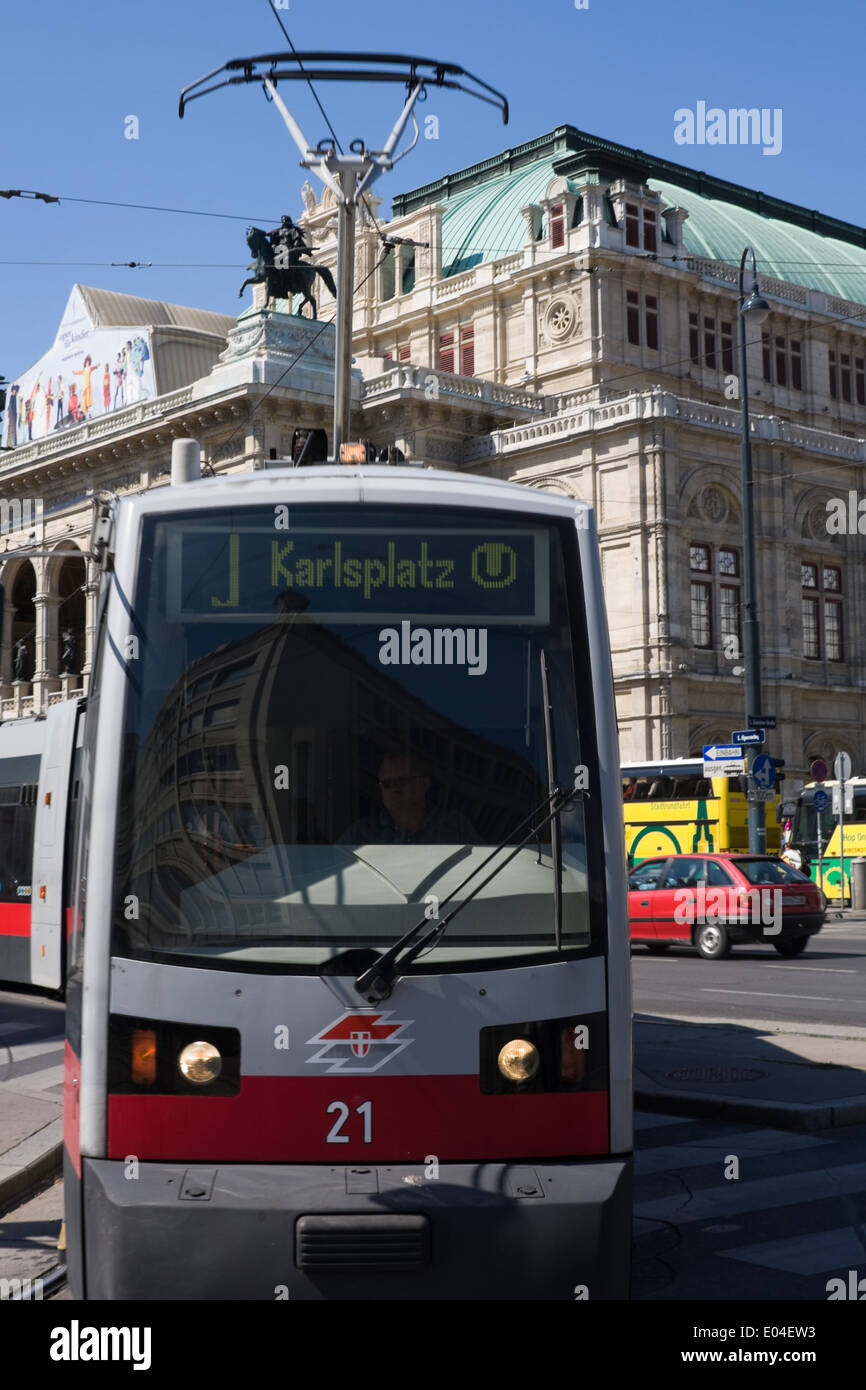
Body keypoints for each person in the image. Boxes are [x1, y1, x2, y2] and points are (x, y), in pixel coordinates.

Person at [338, 750, 477, 846]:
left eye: (402, 781)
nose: (394, 789)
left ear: (424, 783)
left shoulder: (456, 826)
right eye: (387, 784)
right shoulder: (360, 834)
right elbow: (327, 871)